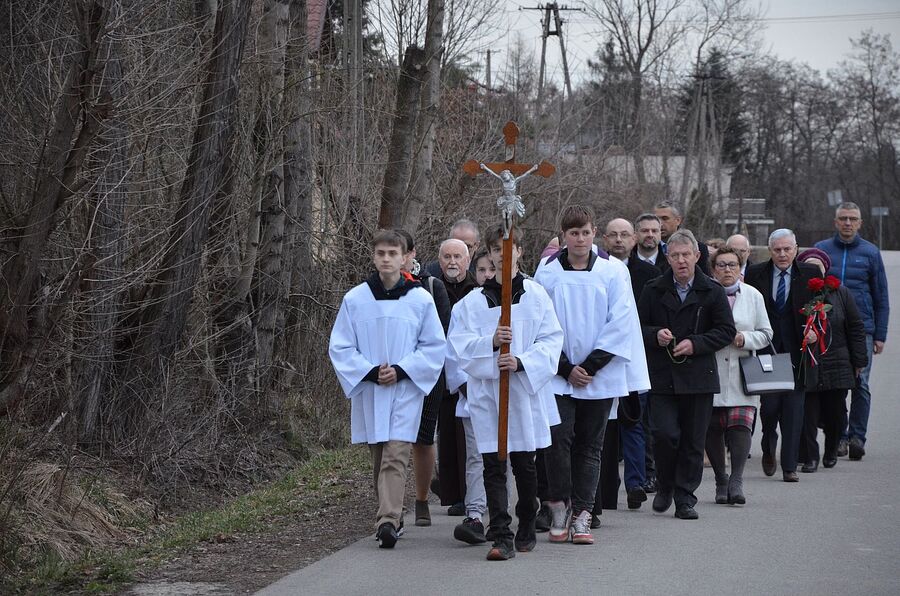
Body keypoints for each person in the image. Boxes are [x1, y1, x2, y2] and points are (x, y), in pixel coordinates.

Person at [448, 224, 564, 560]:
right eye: (498, 249)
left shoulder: (536, 295)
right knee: (493, 466)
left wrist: (522, 361)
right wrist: (491, 343)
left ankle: (527, 519)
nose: (504, 255)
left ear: (520, 252)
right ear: (490, 253)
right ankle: (501, 533)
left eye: (510, 248)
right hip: (489, 394)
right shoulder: (472, 303)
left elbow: (551, 339)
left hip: (523, 394)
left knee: (525, 465)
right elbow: (459, 345)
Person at [534, 207, 649, 545]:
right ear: (563, 236)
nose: (580, 239)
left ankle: (583, 514)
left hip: (600, 375)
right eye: (573, 233)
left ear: (594, 232)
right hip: (559, 373)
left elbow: (621, 322)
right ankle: (558, 506)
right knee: (557, 442)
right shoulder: (548, 272)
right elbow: (538, 321)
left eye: (585, 232)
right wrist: (567, 368)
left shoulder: (612, 272)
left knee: (591, 446)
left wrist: (592, 366)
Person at [328, 230, 446, 548]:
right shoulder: (356, 299)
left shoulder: (420, 299)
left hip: (405, 389)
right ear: (373, 256)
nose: (386, 259)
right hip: (372, 389)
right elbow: (340, 346)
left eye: (393, 253)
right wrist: (369, 372)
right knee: (379, 458)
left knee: (397, 454)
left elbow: (434, 345)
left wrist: (403, 370)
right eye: (381, 253)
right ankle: (390, 514)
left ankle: (387, 521)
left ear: (406, 256)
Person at [638, 229, 736, 520]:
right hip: (663, 376)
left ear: (697, 256)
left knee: (694, 440)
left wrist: (696, 343)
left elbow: (726, 331)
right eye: (676, 255)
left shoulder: (712, 290)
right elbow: (637, 329)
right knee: (664, 434)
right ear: (667, 258)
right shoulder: (653, 289)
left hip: (698, 376)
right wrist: (656, 335)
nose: (681, 261)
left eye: (686, 255)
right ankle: (666, 484)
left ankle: (685, 497)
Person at [814, 201, 889, 461]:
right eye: (843, 218)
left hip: (862, 329)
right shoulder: (822, 250)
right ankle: (840, 436)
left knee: (861, 382)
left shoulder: (870, 252)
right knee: (834, 385)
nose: (847, 223)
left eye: (852, 219)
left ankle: (857, 436)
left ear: (860, 223)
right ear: (836, 222)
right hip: (828, 327)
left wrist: (880, 334)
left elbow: (880, 295)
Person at [744, 229, 820, 482]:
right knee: (770, 408)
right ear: (770, 250)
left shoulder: (810, 274)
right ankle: (768, 445)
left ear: (796, 249)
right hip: (767, 349)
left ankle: (789, 466)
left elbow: (820, 312)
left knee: (794, 409)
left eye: (787, 249)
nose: (782, 254)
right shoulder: (756, 273)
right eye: (777, 249)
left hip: (796, 351)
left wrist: (815, 334)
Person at [598, 218, 660, 512]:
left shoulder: (648, 273)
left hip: (635, 356)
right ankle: (606, 488)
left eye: (625, 235)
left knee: (633, 422)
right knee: (606, 428)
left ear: (634, 239)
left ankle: (636, 483)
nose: (619, 240)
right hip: (603, 357)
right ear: (604, 238)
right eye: (614, 235)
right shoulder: (597, 270)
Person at [706, 247, 773, 505]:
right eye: (721, 265)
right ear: (713, 270)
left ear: (740, 267)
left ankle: (736, 479)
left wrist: (744, 338)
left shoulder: (753, 296)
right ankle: (720, 479)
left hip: (743, 371)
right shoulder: (707, 294)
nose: (727, 270)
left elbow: (767, 333)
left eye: (732, 265)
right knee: (712, 427)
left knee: (740, 425)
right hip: (713, 371)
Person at [395, 229, 450, 527]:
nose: (395, 258)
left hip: (428, 373)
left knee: (423, 438)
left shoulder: (431, 286)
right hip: (392, 373)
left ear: (412, 253)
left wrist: (416, 362)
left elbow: (439, 333)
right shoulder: (374, 288)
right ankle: (390, 505)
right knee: (392, 439)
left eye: (401, 252)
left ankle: (421, 500)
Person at [796, 248, 868, 471]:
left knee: (835, 413)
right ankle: (810, 456)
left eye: (818, 266)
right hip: (807, 362)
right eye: (809, 265)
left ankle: (830, 449)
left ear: (825, 268)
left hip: (837, 360)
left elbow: (855, 328)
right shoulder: (797, 291)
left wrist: (859, 361)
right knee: (807, 413)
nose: (813, 270)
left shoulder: (841, 293)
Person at [434, 239, 479, 517]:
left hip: (470, 371)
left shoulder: (475, 290)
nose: (452, 262)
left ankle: (470, 494)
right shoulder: (431, 288)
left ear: (467, 261)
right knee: (447, 437)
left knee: (468, 441)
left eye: (457, 257)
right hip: (442, 371)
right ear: (440, 261)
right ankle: (453, 493)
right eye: (447, 257)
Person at [654, 202, 711, 275]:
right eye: (657, 219)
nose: (660, 223)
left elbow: (705, 280)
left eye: (665, 218)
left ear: (678, 220)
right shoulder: (649, 248)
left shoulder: (699, 248)